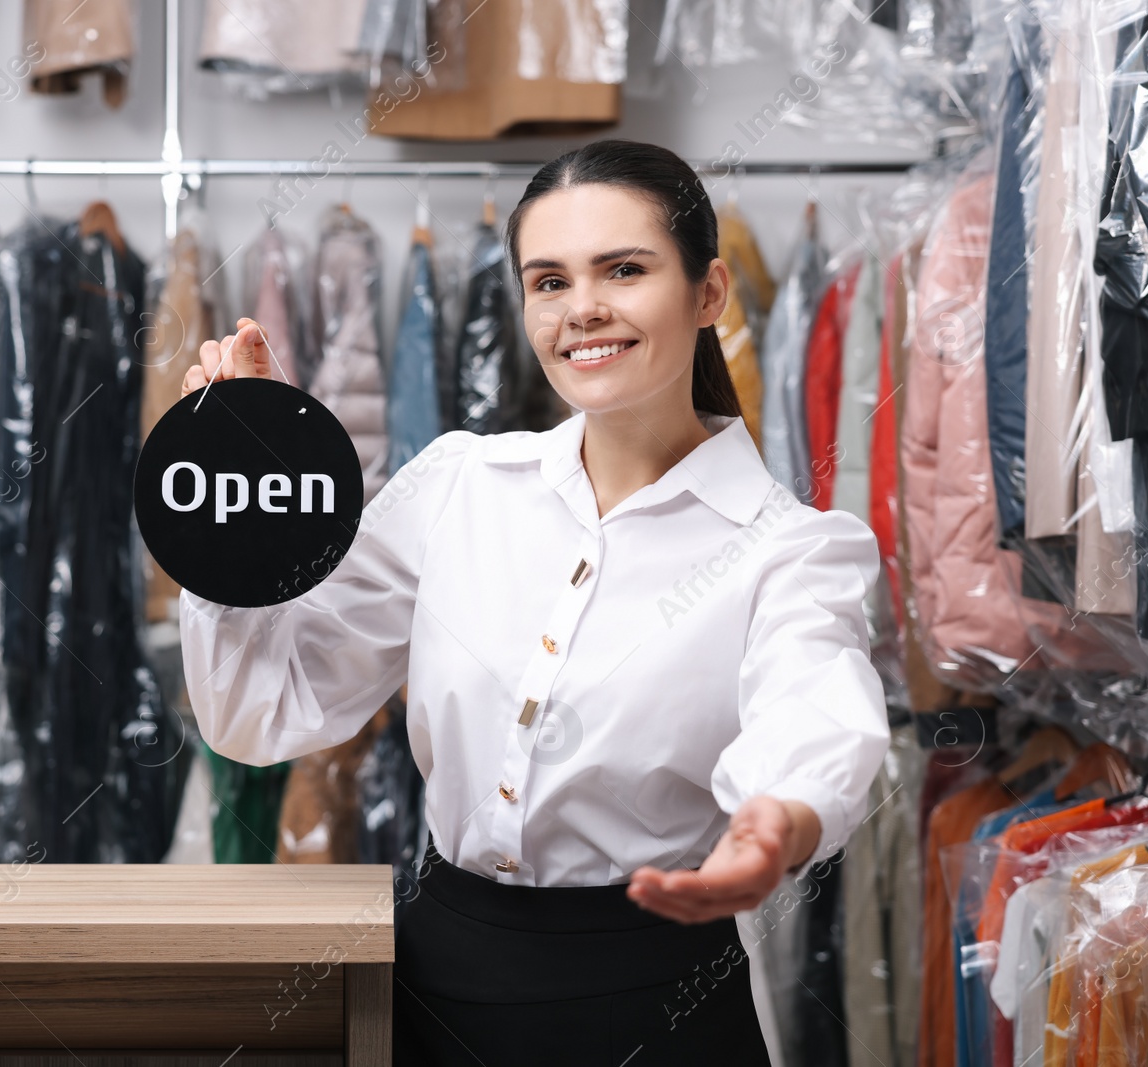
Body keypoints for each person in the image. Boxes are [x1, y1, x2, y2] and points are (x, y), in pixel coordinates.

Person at [176, 139, 889, 1065]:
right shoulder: (456, 486)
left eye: (624, 270)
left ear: (708, 292)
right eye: (548, 281)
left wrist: (776, 822)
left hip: (660, 1007)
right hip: (435, 989)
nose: (581, 308)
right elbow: (261, 711)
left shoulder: (790, 549)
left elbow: (815, 705)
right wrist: (243, 501)